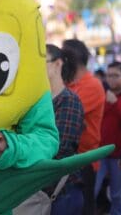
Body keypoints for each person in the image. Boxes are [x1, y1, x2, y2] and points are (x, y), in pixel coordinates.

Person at [62, 39, 106, 215]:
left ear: (68, 61)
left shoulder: (92, 85)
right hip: (68, 158)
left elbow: (64, 111)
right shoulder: (68, 84)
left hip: (84, 160)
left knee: (83, 207)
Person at [46, 44, 85, 214]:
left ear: (57, 64)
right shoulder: (40, 100)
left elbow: (60, 147)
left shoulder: (69, 100)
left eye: (42, 61)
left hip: (61, 191)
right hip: (40, 188)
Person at [94, 61, 121, 215]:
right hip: (100, 152)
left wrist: (116, 103)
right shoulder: (102, 92)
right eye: (108, 75)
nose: (110, 79)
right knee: (92, 190)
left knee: (118, 195)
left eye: (115, 75)